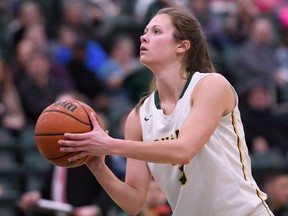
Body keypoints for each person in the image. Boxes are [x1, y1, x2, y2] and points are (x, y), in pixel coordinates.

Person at [58, 7, 274, 216]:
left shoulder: (210, 86)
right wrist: (98, 167)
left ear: (182, 46)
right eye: (144, 32)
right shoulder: (138, 117)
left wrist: (109, 145)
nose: (144, 37)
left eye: (156, 31)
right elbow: (133, 202)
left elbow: (184, 150)